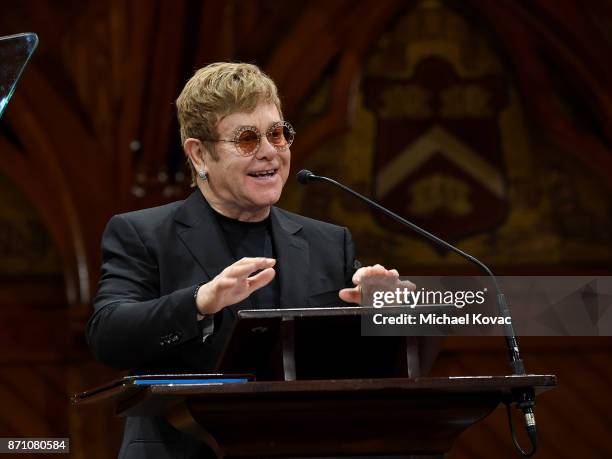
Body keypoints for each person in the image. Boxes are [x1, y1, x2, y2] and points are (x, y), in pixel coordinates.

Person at [86, 62, 402, 459]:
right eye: (247, 139)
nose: (270, 151)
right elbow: (108, 335)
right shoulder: (144, 234)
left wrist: (386, 312)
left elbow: (355, 366)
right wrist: (200, 302)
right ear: (199, 154)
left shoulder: (328, 242)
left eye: (277, 134)